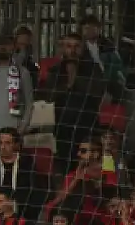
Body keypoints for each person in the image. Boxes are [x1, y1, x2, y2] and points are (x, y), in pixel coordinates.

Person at [43, 32, 107, 172]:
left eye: (76, 46)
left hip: (88, 126)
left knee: (90, 168)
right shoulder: (55, 70)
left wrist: (75, 77)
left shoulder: (94, 69)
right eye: (68, 46)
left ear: (82, 48)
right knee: (66, 168)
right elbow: (49, 95)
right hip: (63, 127)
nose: (72, 50)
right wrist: (67, 85)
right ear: (62, 48)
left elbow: (97, 91)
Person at [0, 129, 44, 215]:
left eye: (7, 143)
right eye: (0, 143)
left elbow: (32, 191)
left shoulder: (26, 162)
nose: (3, 147)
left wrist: (13, 205)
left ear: (16, 145)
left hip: (20, 209)